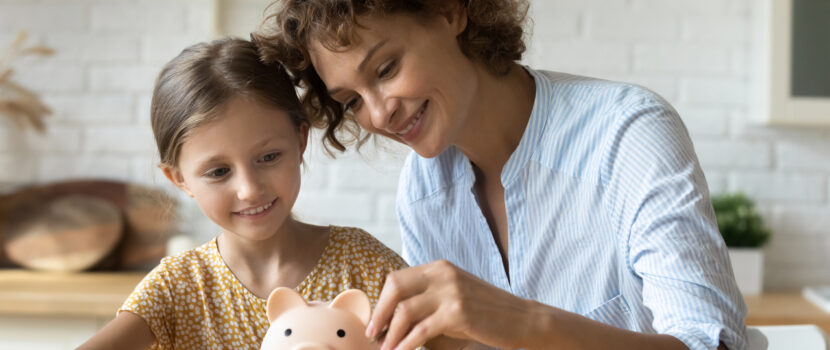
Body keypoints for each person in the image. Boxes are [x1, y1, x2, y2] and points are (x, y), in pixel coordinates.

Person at [252, 0, 749, 349]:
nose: (378, 115)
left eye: (385, 69)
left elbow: (711, 345)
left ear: (449, 10)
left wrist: (523, 322)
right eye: (352, 101)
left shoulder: (627, 134)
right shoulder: (423, 189)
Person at [77, 38, 407, 350]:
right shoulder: (176, 287)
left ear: (300, 140)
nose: (249, 190)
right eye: (219, 172)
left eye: (268, 157)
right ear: (179, 179)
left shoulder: (366, 266)